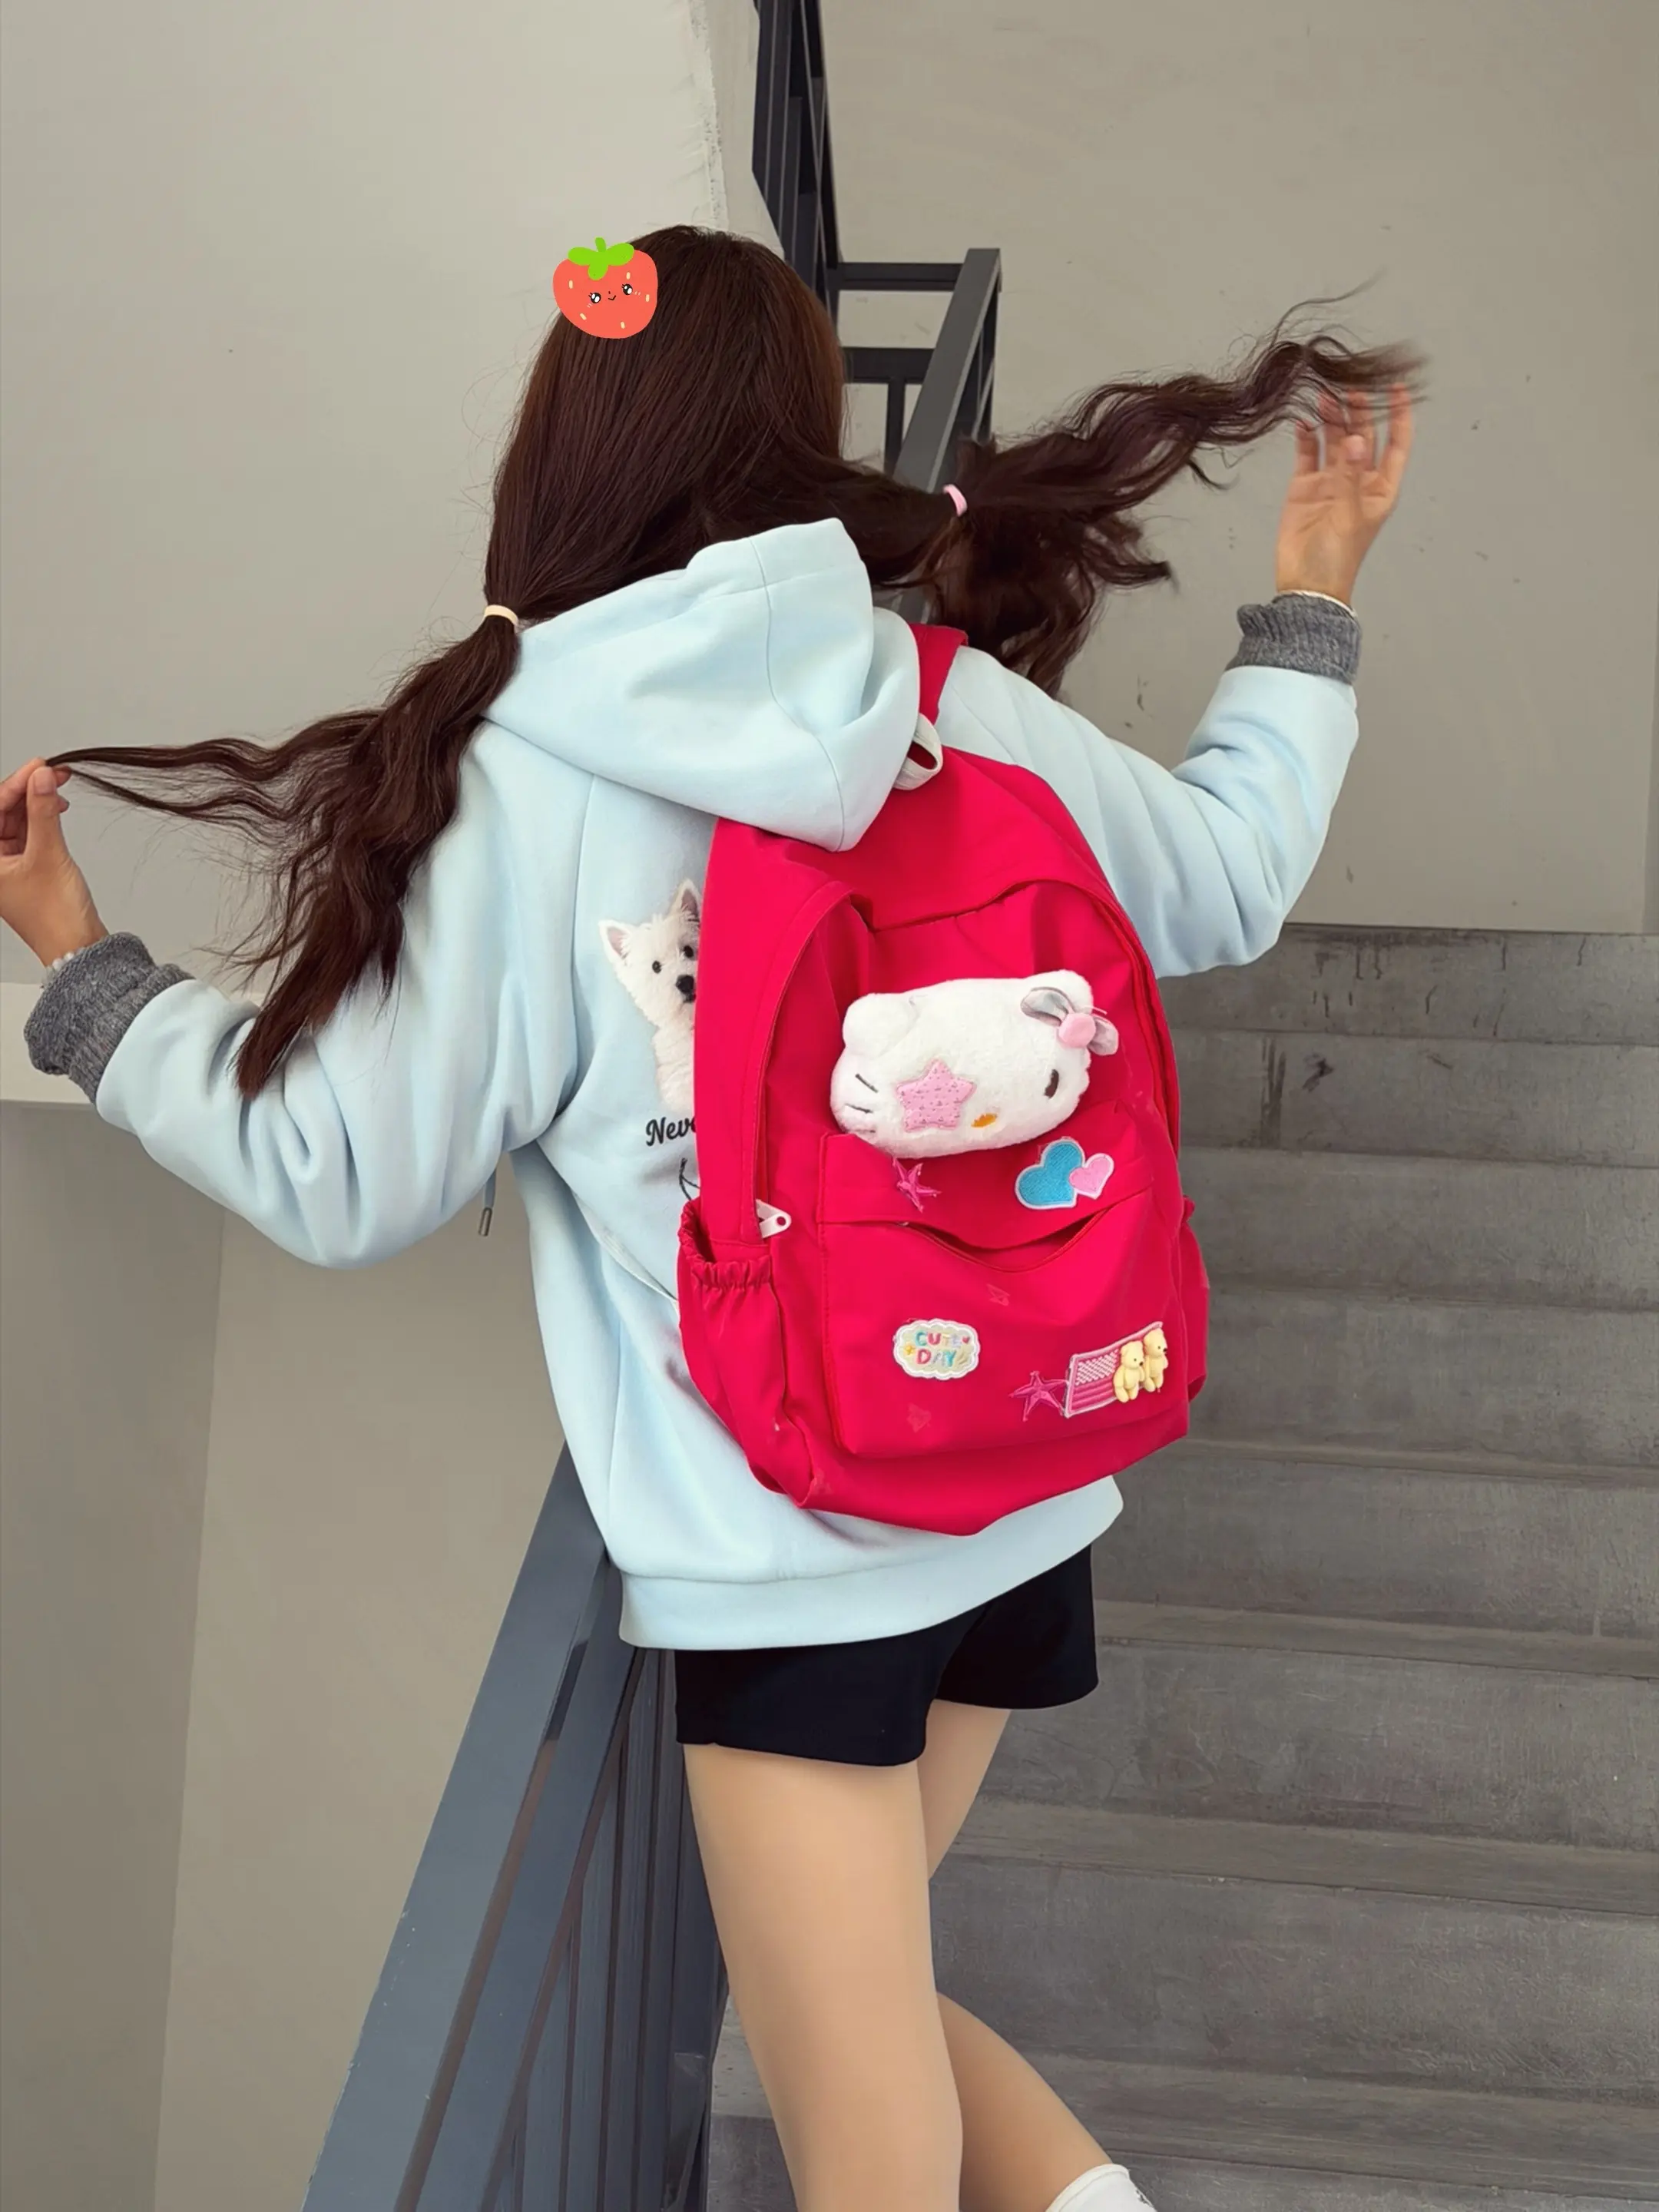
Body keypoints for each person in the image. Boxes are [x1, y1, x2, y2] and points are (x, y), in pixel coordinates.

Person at [0, 224, 1416, 2212]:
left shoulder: (526, 784)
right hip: (1021, 1475)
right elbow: (1228, 876)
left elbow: (336, 1171)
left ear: (564, 454)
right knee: (856, 2010)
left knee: (864, 2138)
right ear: (788, 441)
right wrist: (1314, 599)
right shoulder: (942, 700)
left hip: (795, 1550)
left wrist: (88, 980)